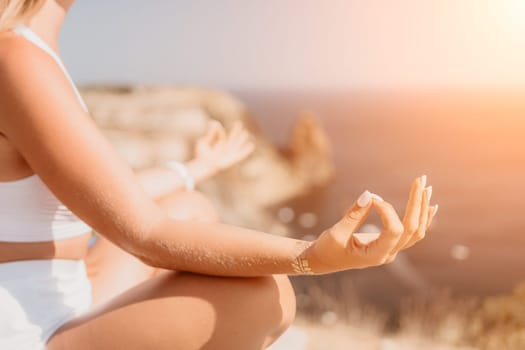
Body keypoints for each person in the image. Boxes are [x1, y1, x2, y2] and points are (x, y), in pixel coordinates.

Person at [0, 1, 438, 349]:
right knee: (265, 298)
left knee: (191, 207)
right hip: (29, 332)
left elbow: (96, 193)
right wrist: (312, 256)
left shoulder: (30, 51)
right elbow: (146, 234)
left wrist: (193, 170)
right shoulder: (16, 60)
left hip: (60, 289)